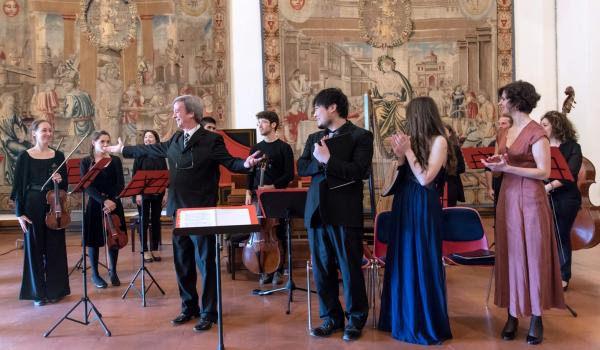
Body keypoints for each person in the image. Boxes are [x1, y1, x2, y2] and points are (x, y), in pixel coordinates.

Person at [103, 95, 262, 332]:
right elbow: (152, 149)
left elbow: (231, 163)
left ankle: (209, 312)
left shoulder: (211, 140)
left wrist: (247, 164)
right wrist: (122, 149)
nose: (174, 114)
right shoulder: (176, 138)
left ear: (191, 113)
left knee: (205, 262)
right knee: (182, 262)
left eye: (177, 110)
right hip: (178, 211)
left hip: (202, 210)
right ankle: (189, 307)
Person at [482, 81, 564, 345]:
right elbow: (505, 163)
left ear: (517, 101)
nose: (501, 102)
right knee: (510, 254)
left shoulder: (536, 132)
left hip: (530, 198)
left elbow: (544, 172)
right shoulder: (507, 130)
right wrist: (495, 166)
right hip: (508, 196)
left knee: (533, 254)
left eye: (504, 98)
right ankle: (513, 313)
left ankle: (537, 317)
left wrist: (508, 168)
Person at [298, 88, 373, 342]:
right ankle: (331, 317)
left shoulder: (361, 136)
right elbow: (302, 167)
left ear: (332, 107)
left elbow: (360, 171)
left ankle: (355, 318)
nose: (314, 114)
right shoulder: (314, 138)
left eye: (317, 108)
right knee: (322, 269)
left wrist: (329, 160)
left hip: (344, 211)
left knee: (349, 267)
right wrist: (320, 161)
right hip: (317, 211)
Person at [378, 96, 454, 345]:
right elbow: (401, 175)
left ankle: (422, 322)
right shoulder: (414, 141)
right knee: (402, 259)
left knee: (420, 259)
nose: (406, 120)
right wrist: (399, 155)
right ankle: (400, 318)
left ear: (419, 115)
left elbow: (426, 179)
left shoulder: (440, 140)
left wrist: (408, 150)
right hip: (404, 201)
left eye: (410, 115)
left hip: (423, 204)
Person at [11, 120, 70, 306]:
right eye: (43, 130)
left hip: (54, 206)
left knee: (55, 248)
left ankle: (55, 290)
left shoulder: (58, 156)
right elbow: (18, 187)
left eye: (50, 130)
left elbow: (64, 186)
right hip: (32, 205)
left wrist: (60, 180)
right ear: (34, 134)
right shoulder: (25, 157)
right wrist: (19, 213)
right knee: (34, 249)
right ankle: (37, 293)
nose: (48, 133)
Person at [244, 111, 294, 286]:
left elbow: (289, 174)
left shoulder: (284, 148)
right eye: (258, 122)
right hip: (258, 197)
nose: (259, 125)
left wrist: (272, 187)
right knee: (259, 231)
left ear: (273, 125)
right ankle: (264, 268)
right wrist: (248, 192)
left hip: (276, 196)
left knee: (277, 233)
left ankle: (278, 269)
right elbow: (250, 172)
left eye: (263, 122)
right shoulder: (255, 149)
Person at [540, 111, 582, 291]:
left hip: (566, 198)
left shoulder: (572, 147)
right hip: (545, 195)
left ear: (556, 126)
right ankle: (548, 273)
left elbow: (570, 175)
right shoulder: (542, 146)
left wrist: (548, 187)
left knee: (561, 234)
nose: (541, 128)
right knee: (546, 236)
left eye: (545, 125)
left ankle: (564, 276)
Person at [80, 130, 126, 289]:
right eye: (102, 142)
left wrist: (112, 201)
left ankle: (113, 271)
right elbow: (87, 186)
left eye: (108, 142)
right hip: (95, 203)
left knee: (114, 237)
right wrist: (103, 200)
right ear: (94, 143)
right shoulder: (86, 162)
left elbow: (120, 183)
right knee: (94, 240)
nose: (106, 145)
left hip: (114, 203)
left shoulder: (115, 161)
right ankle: (95, 274)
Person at [132, 130, 168, 263]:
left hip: (159, 192)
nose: (147, 139)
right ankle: (145, 250)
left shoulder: (160, 155)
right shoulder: (139, 155)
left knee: (156, 221)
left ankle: (155, 248)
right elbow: (135, 176)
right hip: (142, 194)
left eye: (150, 137)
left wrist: (166, 193)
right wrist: (137, 194)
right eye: (146, 137)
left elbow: (165, 175)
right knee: (144, 221)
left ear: (156, 140)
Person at [484, 115, 513, 205]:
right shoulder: (495, 142)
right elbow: (489, 168)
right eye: (499, 124)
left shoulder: (515, 140)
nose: (500, 126)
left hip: (512, 180)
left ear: (511, 126)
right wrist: (490, 187)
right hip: (499, 179)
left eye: (503, 123)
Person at [444, 123, 465, 207]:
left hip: (451, 183)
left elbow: (462, 168)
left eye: (444, 131)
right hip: (437, 185)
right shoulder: (432, 147)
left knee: (450, 208)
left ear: (449, 133)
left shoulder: (455, 148)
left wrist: (448, 171)